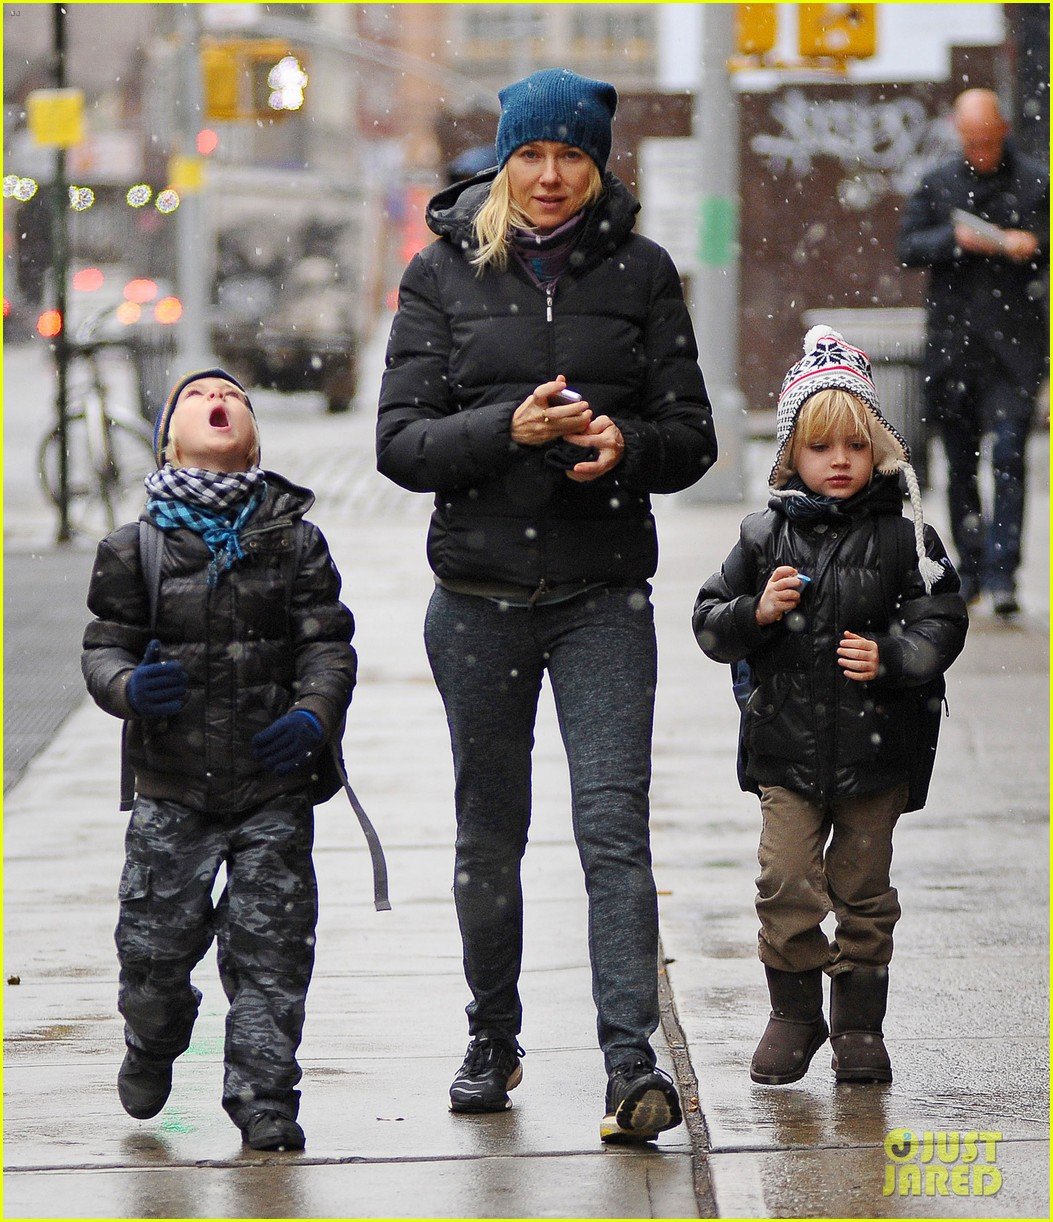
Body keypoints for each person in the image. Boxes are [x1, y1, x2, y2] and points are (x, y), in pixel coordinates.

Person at [377, 67, 717, 1142]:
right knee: (491, 833)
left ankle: (630, 1060)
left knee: (613, 831)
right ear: (503, 161)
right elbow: (399, 444)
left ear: (598, 163)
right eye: (532, 154)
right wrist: (503, 433)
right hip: (476, 597)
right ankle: (494, 1034)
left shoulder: (647, 273)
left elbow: (692, 436)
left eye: (571, 154)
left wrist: (627, 449)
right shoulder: (441, 274)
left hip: (601, 595)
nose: (552, 175)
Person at [82, 370, 357, 1151]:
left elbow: (325, 645)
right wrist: (130, 685)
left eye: (234, 397)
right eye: (200, 397)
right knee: (153, 951)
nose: (219, 401)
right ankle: (153, 1039)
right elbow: (104, 646)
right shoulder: (133, 547)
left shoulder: (295, 540)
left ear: (254, 436)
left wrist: (314, 712)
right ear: (170, 436)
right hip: (173, 789)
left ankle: (265, 1098)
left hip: (272, 788)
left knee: (270, 951)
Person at [692, 327, 968, 1086]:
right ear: (789, 457)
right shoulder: (762, 535)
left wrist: (894, 657)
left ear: (876, 447)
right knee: (783, 881)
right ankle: (792, 1012)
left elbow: (942, 619)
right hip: (785, 748)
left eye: (853, 444)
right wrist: (755, 612)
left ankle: (857, 1025)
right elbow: (708, 622)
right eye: (819, 448)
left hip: (877, 752)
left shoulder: (907, 537)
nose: (838, 461)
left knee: (863, 888)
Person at [897, 87, 1048, 617]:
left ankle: (1004, 575)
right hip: (954, 349)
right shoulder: (939, 183)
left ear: (1002, 130)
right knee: (960, 463)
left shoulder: (1035, 181)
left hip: (1015, 351)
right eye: (972, 141)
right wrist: (958, 239)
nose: (981, 150)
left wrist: (1031, 244)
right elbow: (907, 247)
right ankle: (974, 569)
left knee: (1009, 458)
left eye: (988, 140)